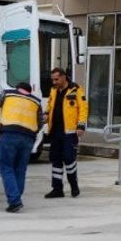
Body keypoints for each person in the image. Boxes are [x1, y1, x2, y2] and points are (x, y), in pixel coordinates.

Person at [0, 82, 44, 213]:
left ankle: (15, 201)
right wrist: (31, 133)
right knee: (20, 169)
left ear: (17, 89)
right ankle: (16, 198)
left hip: (10, 135)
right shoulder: (36, 102)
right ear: (29, 92)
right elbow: (40, 123)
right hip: (28, 138)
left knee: (7, 168)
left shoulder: (7, 94)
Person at [45, 67, 88, 198]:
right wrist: (46, 115)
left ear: (64, 77)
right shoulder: (53, 90)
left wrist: (81, 126)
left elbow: (83, 108)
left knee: (69, 159)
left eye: (56, 79)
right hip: (55, 132)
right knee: (56, 161)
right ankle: (57, 189)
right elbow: (50, 105)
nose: (54, 82)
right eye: (53, 80)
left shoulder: (76, 89)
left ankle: (74, 186)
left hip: (69, 133)